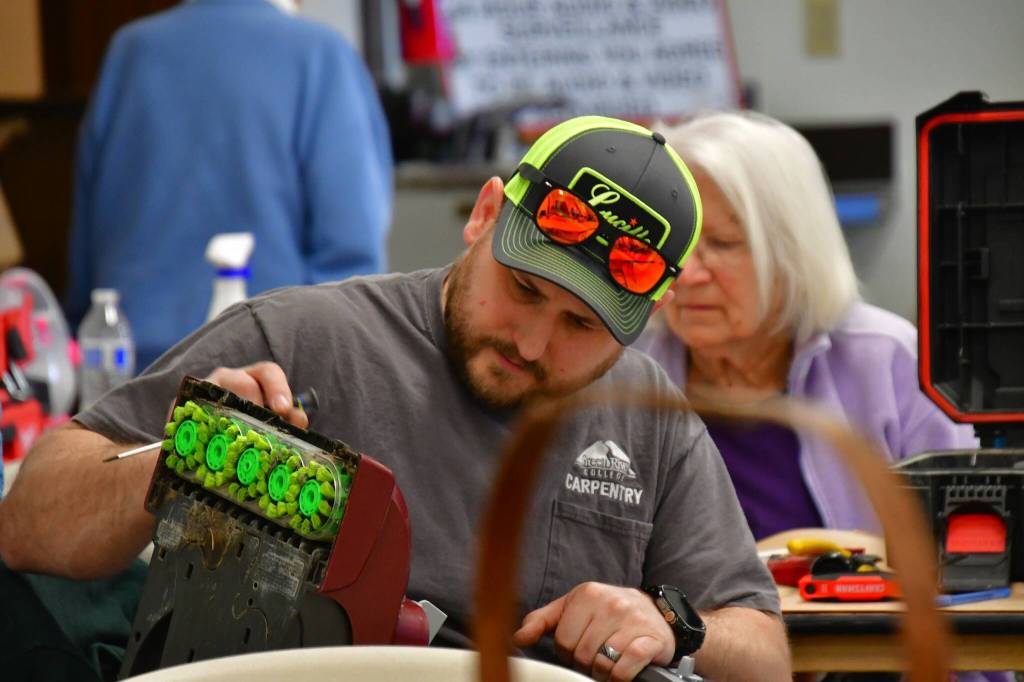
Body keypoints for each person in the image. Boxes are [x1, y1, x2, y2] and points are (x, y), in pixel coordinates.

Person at [1, 116, 790, 682]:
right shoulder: (304, 336)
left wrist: (673, 628)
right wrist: (183, 455)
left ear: (639, 326)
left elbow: (763, 651)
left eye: (581, 325)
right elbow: (28, 527)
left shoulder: (646, 414)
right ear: (484, 215)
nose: (533, 344)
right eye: (521, 289)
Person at [636, 110, 978, 536]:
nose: (685, 275)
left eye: (722, 244)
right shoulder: (622, 368)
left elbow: (966, 541)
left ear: (794, 251)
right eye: (673, 243)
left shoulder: (891, 360)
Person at [65, 0, 393, 370]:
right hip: (265, 382)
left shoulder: (130, 51)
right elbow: (351, 260)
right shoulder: (321, 56)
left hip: (128, 374)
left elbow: (86, 251)